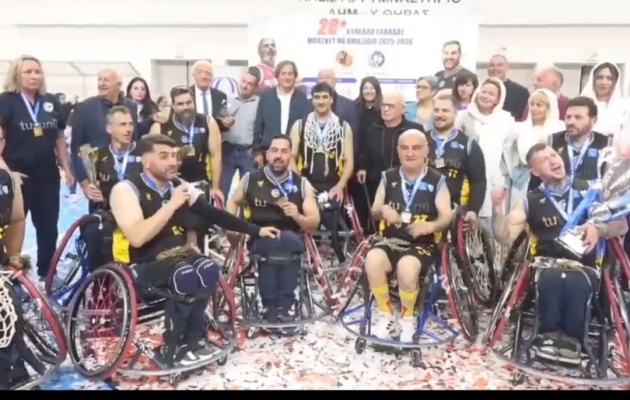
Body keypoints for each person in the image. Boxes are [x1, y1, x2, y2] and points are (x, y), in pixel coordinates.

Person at [109, 134, 278, 365]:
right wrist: (172, 205)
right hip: (143, 266)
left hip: (177, 259)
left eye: (174, 156)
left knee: (208, 268)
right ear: (146, 161)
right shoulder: (125, 189)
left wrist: (256, 230)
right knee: (184, 274)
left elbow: (214, 214)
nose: (173, 162)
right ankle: (173, 346)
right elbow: (137, 238)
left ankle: (194, 339)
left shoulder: (179, 186)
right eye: (164, 156)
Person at [490, 143, 628, 365]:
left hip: (585, 265)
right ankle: (550, 335)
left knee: (576, 280)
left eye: (554, 155)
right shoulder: (530, 201)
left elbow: (621, 225)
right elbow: (504, 236)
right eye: (544, 160)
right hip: (548, 265)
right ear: (535, 171)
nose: (553, 161)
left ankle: (573, 340)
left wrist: (599, 229)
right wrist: (497, 208)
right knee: (554, 277)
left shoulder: (592, 190)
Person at [364, 130, 453, 342]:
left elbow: (446, 217)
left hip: (422, 244)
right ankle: (386, 314)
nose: (410, 153)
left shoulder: (437, 180)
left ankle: (407, 318)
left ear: (426, 151)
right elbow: (374, 210)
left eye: (416, 148)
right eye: (404, 148)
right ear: (398, 151)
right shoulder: (388, 177)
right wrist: (382, 210)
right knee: (372, 259)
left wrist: (430, 226)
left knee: (407, 266)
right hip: (392, 240)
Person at [226, 135, 320, 334]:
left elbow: (314, 222)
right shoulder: (250, 179)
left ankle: (284, 305)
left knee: (286, 242)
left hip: (291, 234)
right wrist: (231, 224)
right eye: (274, 150)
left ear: (291, 155)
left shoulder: (302, 183)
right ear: (267, 154)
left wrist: (298, 216)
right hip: (259, 233)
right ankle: (271, 304)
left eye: (284, 151)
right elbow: (233, 201)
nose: (279, 155)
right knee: (272, 244)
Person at [0, 55, 74, 281]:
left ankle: (47, 273)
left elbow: (59, 137)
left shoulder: (50, 101)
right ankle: (11, 273)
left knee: (48, 227)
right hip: (17, 177)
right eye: (28, 72)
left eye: (37, 71)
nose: (34, 76)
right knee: (14, 227)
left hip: (47, 176)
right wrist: (8, 173)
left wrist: (66, 167)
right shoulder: (6, 101)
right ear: (16, 74)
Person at [149, 86, 223, 248]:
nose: (185, 107)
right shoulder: (161, 127)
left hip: (200, 182)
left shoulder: (208, 122)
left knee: (198, 212)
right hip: (170, 183)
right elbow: (153, 160)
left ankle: (196, 249)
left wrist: (216, 187)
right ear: (173, 106)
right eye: (180, 104)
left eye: (188, 102)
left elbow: (216, 155)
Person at [289, 82, 354, 262]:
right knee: (300, 213)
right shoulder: (300, 125)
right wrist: (302, 184)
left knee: (332, 215)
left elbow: (349, 161)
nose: (321, 101)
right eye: (317, 97)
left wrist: (340, 185)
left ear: (332, 99)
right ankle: (303, 253)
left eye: (325, 97)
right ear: (312, 100)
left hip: (332, 183)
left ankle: (334, 250)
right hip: (306, 181)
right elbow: (291, 157)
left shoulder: (343, 127)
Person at [79, 106, 143, 271]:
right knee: (94, 230)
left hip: (138, 213)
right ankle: (99, 279)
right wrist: (88, 188)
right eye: (122, 124)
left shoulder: (144, 153)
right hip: (108, 213)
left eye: (130, 124)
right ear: (109, 128)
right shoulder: (97, 155)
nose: (128, 129)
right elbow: (90, 183)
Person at [356, 90, 424, 220]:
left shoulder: (414, 130)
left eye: (391, 106)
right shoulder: (373, 128)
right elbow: (365, 151)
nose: (386, 109)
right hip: (376, 182)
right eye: (383, 105)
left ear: (402, 109)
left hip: (406, 184)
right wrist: (362, 167)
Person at [426, 94, 486, 229]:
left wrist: (473, 210)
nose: (439, 114)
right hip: (423, 211)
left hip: (455, 213)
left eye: (445, 111)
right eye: (436, 110)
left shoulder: (469, 144)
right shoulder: (421, 140)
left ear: (455, 113)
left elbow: (478, 181)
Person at [252, 60, 311, 166]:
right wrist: (257, 152)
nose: (287, 77)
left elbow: (305, 127)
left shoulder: (302, 98)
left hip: (294, 155)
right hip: (269, 153)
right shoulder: (266, 96)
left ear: (295, 77)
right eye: (283, 73)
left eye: (290, 74)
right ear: (277, 76)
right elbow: (258, 126)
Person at [548, 96, 610, 183]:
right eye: (568, 117)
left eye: (578, 117)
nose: (571, 122)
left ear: (593, 121)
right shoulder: (551, 142)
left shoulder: (606, 144)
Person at [580, 61, 625, 138]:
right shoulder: (581, 104)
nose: (604, 82)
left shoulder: (623, 107)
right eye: (600, 77)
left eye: (609, 78)